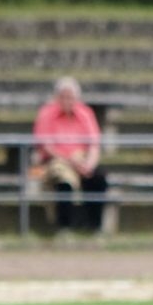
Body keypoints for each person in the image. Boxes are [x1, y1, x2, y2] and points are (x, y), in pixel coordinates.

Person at [32, 76, 108, 232]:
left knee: (98, 178)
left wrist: (89, 165)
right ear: (57, 97)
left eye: (70, 97)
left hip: (82, 160)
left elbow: (94, 144)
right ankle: (64, 227)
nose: (67, 101)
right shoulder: (46, 113)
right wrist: (71, 161)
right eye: (63, 97)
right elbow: (46, 146)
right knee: (64, 181)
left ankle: (94, 226)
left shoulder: (85, 113)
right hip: (57, 161)